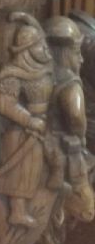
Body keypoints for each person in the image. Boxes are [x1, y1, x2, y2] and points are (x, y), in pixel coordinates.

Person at [0, 12, 53, 228]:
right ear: (26, 49)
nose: (45, 49)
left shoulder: (42, 70)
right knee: (20, 172)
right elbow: (4, 104)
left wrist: (25, 17)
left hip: (41, 126)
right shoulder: (12, 74)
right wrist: (29, 120)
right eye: (39, 45)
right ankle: (17, 212)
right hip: (20, 132)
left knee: (34, 170)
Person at [44, 16, 88, 190]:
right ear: (64, 53)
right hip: (60, 148)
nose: (81, 59)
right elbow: (76, 117)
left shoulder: (40, 76)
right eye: (77, 52)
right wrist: (81, 137)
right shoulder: (70, 85)